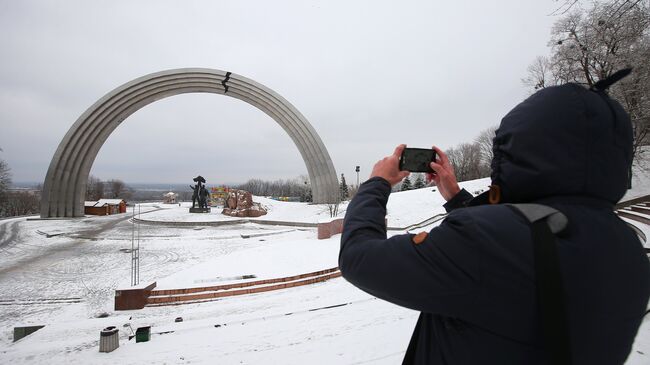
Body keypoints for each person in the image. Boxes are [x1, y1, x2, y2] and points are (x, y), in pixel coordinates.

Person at [339, 79, 650, 364]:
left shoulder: (484, 242)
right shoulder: (628, 249)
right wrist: (455, 195)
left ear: (518, 149)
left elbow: (359, 257)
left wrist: (377, 183)